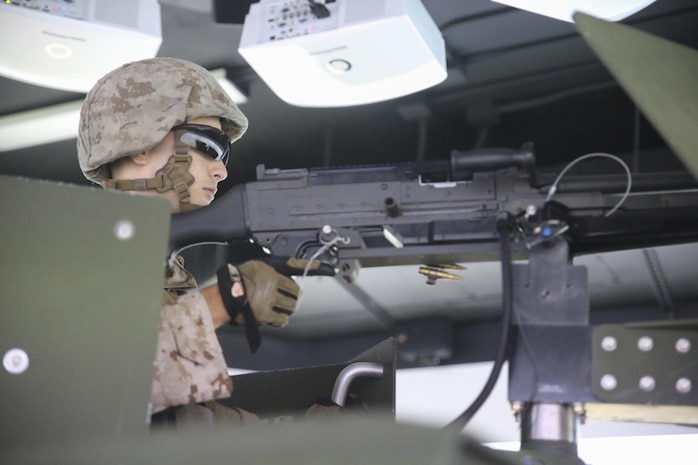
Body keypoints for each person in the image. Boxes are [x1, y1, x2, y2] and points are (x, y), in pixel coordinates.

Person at [76, 57, 335, 425]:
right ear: (141, 144)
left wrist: (299, 434)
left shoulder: (159, 268)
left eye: (224, 154)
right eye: (208, 146)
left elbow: (185, 420)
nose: (221, 168)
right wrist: (226, 298)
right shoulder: (65, 251)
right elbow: (86, 378)